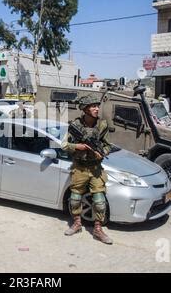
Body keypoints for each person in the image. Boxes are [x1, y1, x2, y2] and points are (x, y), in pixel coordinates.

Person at [61, 94, 113, 245]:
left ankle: (98, 229)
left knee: (99, 201)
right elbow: (64, 145)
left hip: (96, 168)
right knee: (75, 198)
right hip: (80, 168)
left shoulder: (102, 125)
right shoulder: (75, 126)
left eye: (97, 106)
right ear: (85, 109)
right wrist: (78, 146)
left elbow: (108, 145)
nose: (97, 108)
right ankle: (77, 224)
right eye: (93, 106)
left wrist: (102, 151)